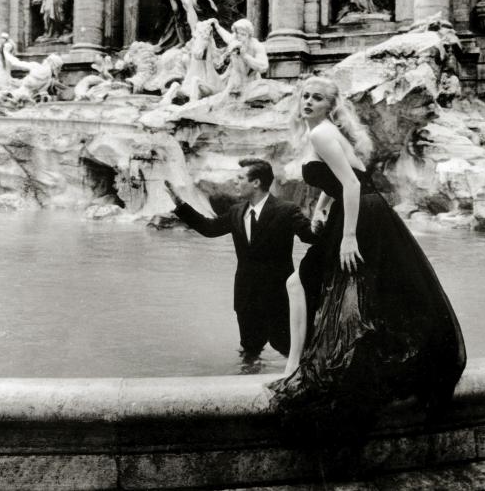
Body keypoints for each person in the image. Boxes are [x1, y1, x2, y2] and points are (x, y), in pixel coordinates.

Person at [267, 76, 466, 439]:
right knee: (320, 285)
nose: (309, 101)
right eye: (305, 96)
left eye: (318, 98)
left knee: (309, 284)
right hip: (363, 211)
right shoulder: (325, 132)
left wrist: (347, 237)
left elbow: (354, 184)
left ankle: (296, 364)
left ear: (331, 105)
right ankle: (296, 361)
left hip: (359, 216)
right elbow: (352, 171)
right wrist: (322, 207)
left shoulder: (321, 134)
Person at [165, 159, 318, 364]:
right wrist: (180, 204)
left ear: (255, 183)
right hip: (246, 296)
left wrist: (323, 220)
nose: (234, 181)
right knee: (249, 352)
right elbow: (209, 229)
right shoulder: (237, 211)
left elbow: (310, 237)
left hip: (278, 297)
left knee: (289, 349)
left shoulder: (287, 210)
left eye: (240, 178)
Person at [211, 18, 269, 98]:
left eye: (243, 34)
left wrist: (244, 56)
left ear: (249, 35)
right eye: (237, 33)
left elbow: (264, 67)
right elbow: (226, 36)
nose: (239, 36)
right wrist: (217, 26)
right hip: (234, 81)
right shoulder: (234, 40)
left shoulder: (257, 45)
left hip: (251, 81)